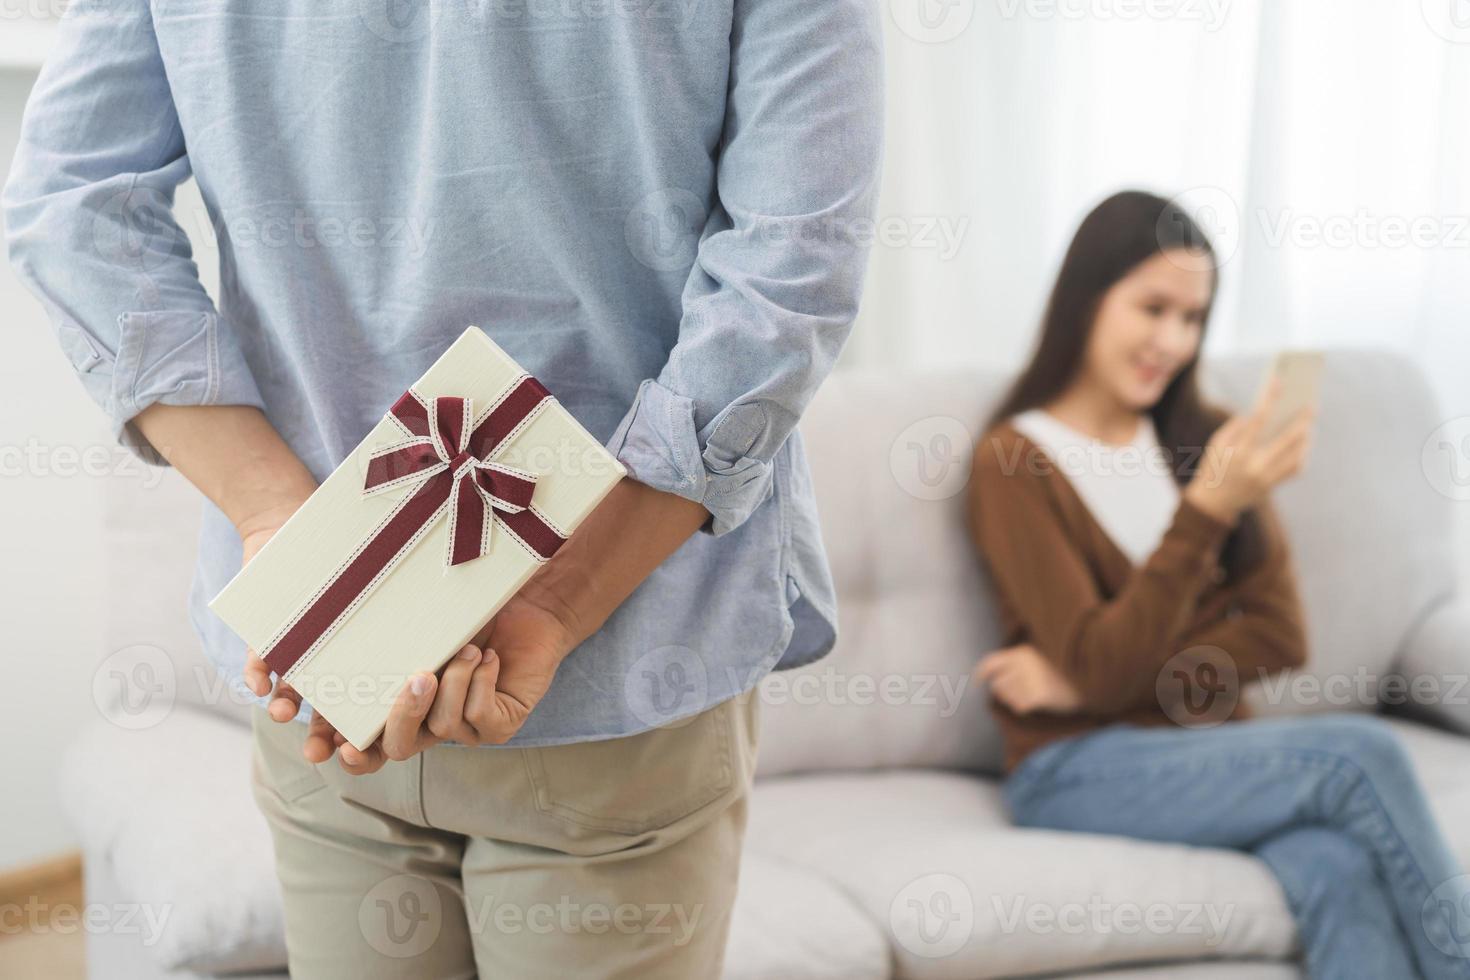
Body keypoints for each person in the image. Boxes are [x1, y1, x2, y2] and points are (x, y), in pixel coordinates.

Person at [3, 2, 883, 975]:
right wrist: (558, 594)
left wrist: (277, 517)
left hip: (320, 659)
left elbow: (69, 205)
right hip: (624, 653)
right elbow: (791, 264)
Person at [967, 190, 1470, 980]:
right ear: (1088, 298)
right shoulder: (1014, 461)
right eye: (1153, 307)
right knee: (1360, 755)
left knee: (1334, 866)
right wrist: (1202, 517)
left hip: (1210, 751)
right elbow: (1107, 665)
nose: (1172, 340)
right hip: (1075, 768)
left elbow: (1279, 635)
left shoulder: (1205, 435)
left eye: (1193, 318)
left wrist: (1086, 680)